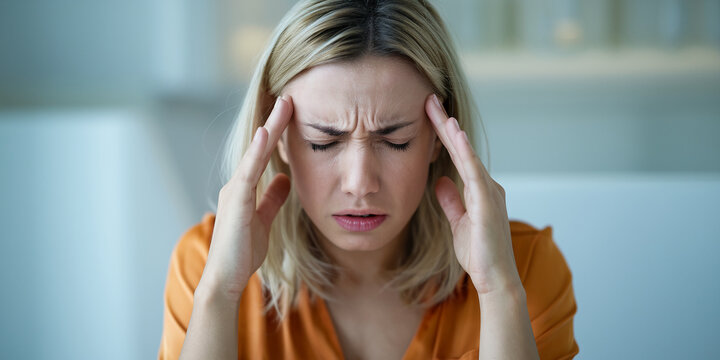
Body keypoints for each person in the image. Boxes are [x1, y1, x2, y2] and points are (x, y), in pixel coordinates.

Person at [159, 0, 579, 359]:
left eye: (395, 141)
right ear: (278, 137)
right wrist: (218, 295)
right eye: (323, 142)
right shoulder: (205, 267)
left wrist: (498, 291)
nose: (360, 184)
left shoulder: (522, 270)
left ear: (439, 137)